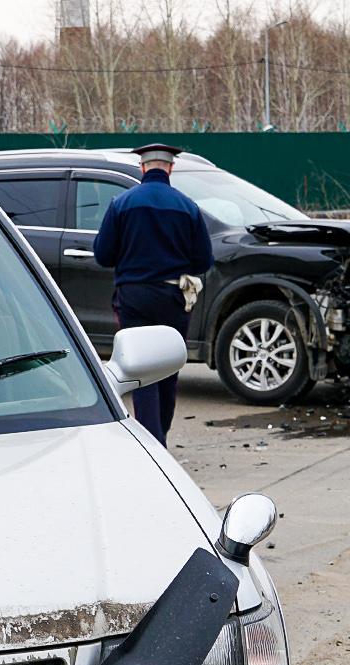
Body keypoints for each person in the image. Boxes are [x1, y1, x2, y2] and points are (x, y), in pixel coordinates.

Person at [91, 143, 214, 446]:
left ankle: (151, 441)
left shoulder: (121, 203)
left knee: (142, 366)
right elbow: (203, 261)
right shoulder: (187, 206)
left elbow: (103, 254)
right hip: (174, 297)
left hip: (133, 297)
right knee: (168, 366)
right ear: (170, 168)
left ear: (143, 167)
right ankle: (162, 434)